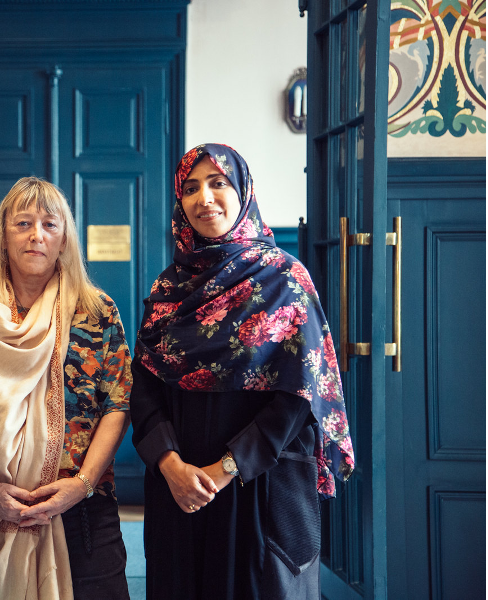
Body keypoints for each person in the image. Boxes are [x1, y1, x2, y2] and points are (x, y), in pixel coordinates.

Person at [131, 144, 355, 599]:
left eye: (218, 183)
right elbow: (145, 387)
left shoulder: (285, 279)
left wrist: (227, 467)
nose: (204, 198)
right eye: (191, 188)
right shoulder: (168, 288)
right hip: (181, 490)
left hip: (259, 485)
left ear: (243, 192)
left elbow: (301, 392)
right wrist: (170, 464)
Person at [0, 177, 132, 600]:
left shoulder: (96, 312)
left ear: (65, 238)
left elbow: (118, 403)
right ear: (3, 235)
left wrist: (81, 484)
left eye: (50, 224)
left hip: (84, 506)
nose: (36, 235)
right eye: (23, 223)